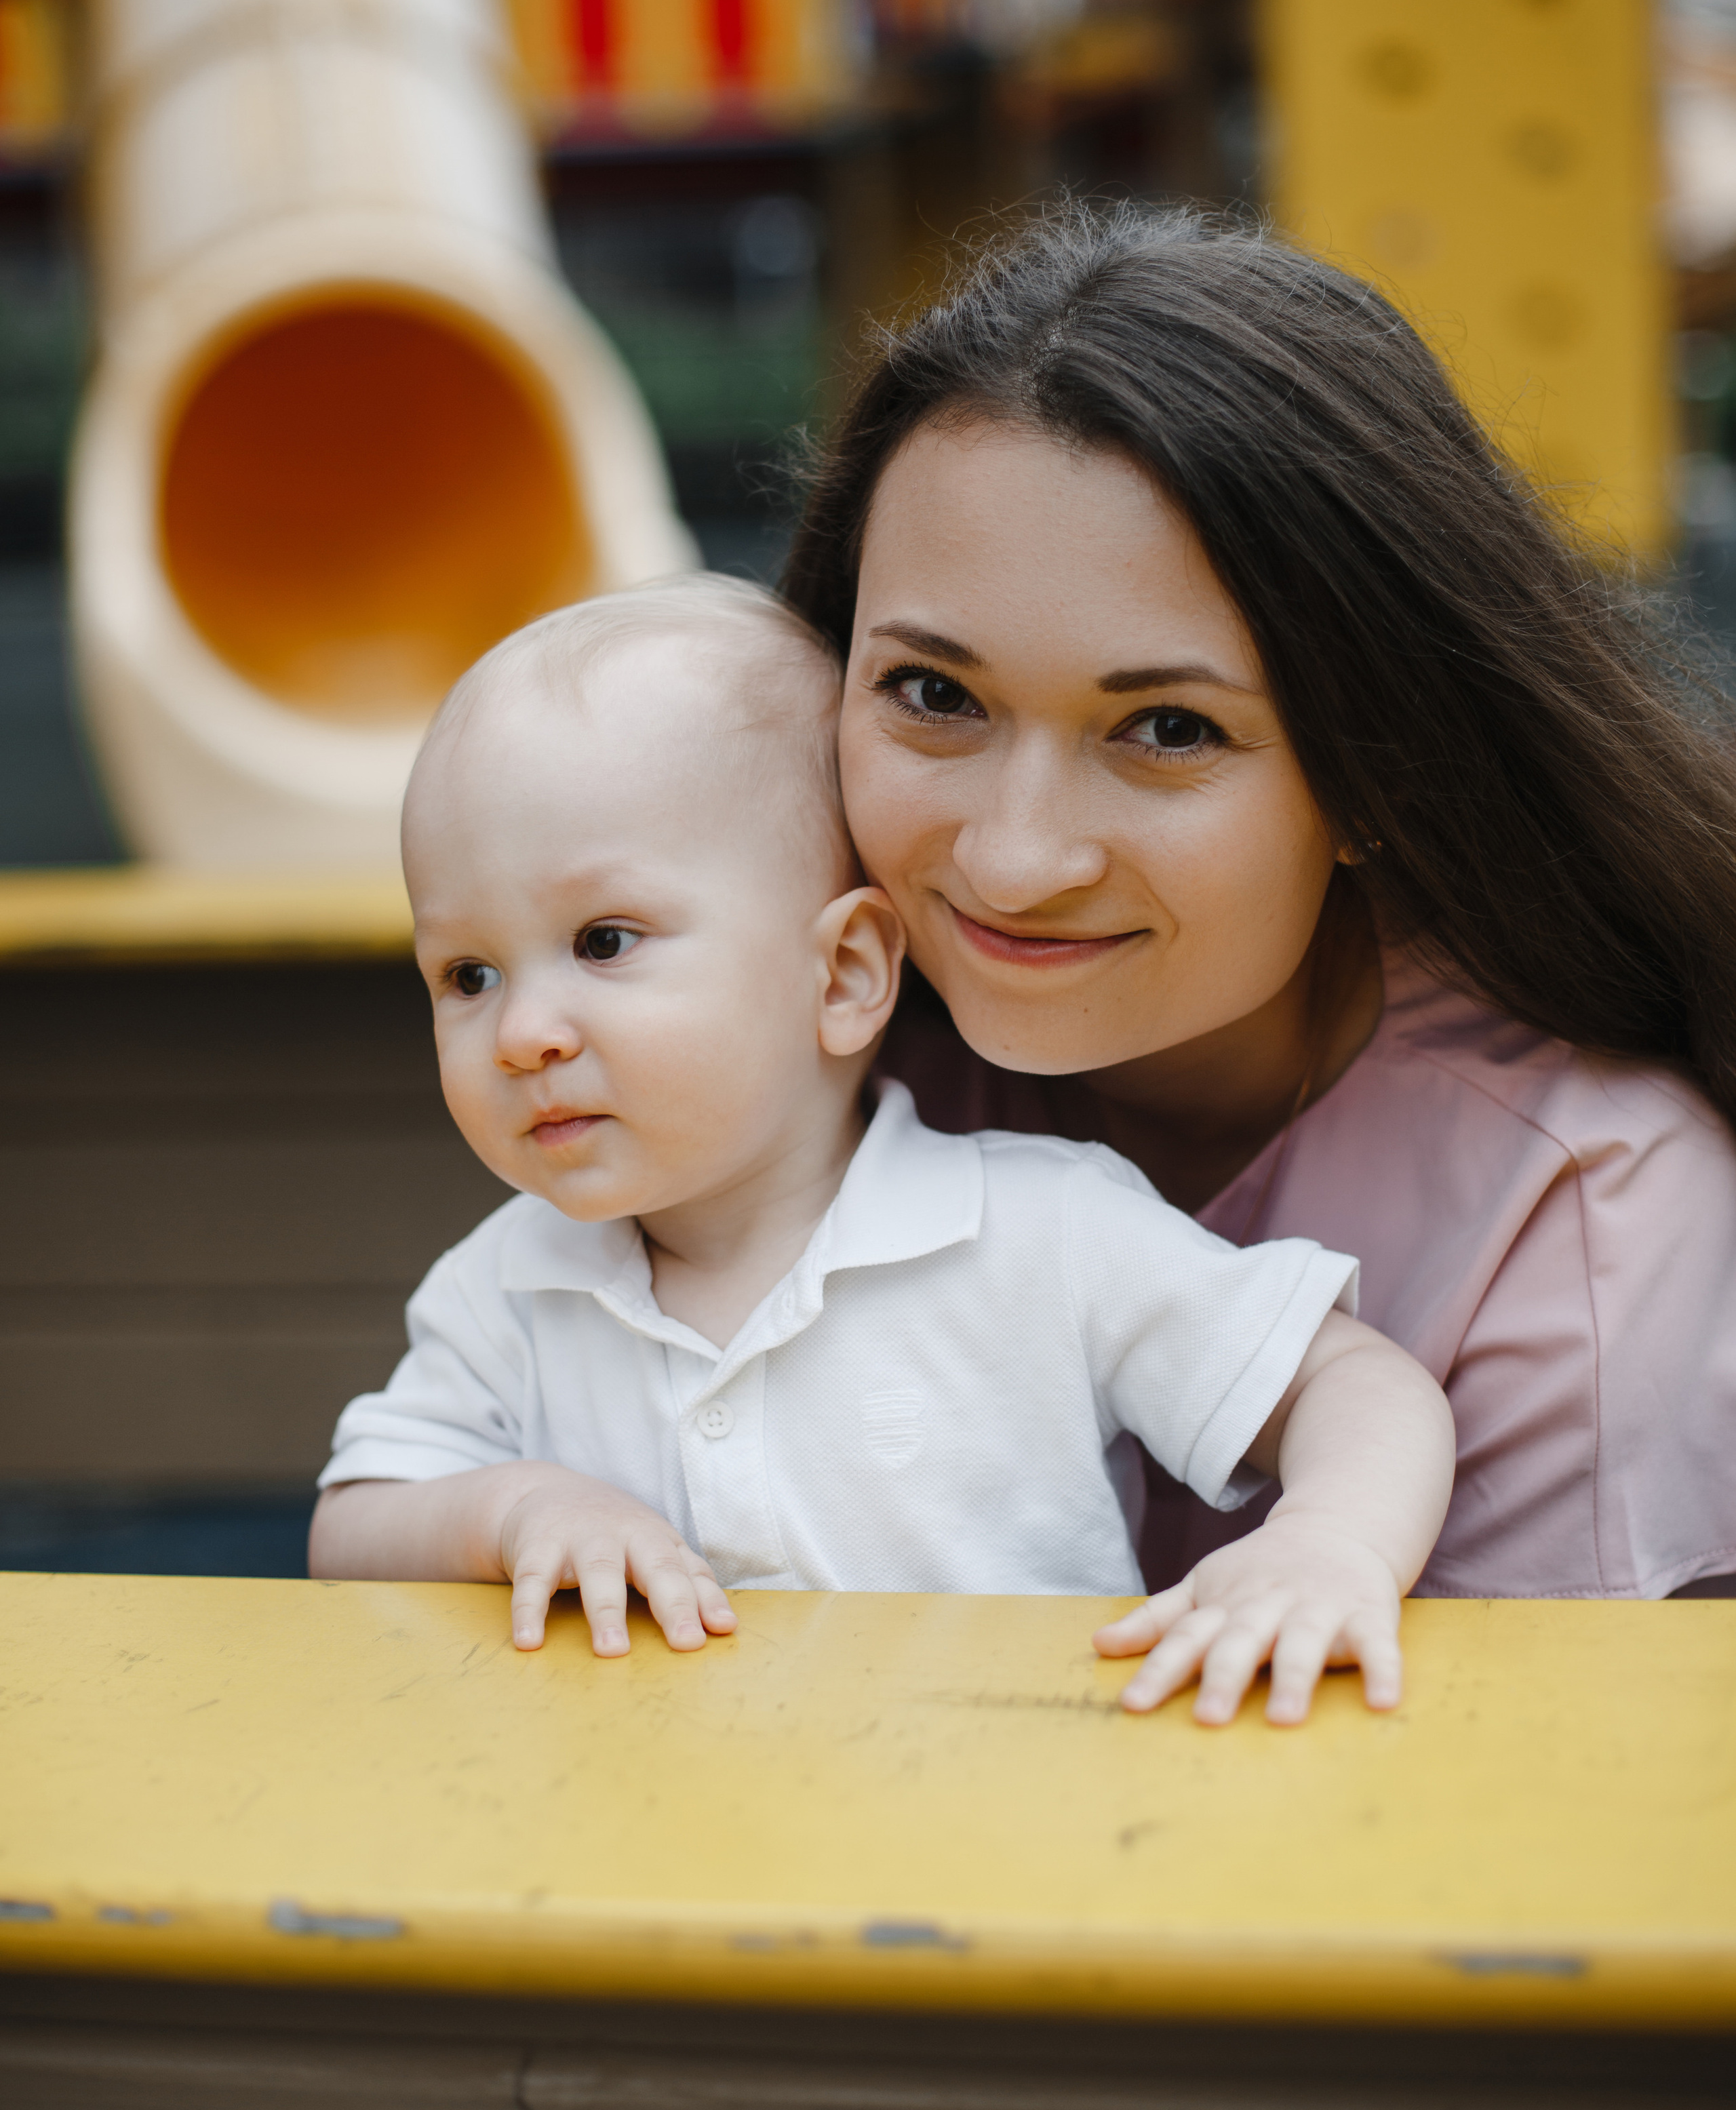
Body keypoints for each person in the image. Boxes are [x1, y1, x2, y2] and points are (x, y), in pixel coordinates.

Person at [782, 201, 1736, 1602]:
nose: (1010, 861)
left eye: (1165, 730)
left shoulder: (1580, 1218)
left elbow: (1497, 1802)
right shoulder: (788, 1046)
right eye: (933, 696)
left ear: (1375, 769)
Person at [309, 577, 1455, 1724]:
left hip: (1011, 1853)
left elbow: (1357, 1385)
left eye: (604, 942)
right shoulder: (512, 1287)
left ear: (846, 973)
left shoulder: (1038, 1234)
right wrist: (516, 1512)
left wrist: (1327, 1545)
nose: (522, 1034)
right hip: (650, 1863)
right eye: (468, 974)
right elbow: (348, 1528)